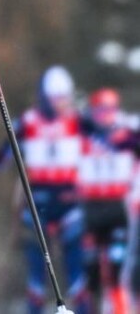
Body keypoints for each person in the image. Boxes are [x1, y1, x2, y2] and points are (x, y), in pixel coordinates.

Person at [0, 66, 91, 314]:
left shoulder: (78, 121)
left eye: (65, 97)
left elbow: (113, 139)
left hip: (70, 204)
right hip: (38, 203)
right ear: (45, 96)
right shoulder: (27, 123)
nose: (62, 103)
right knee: (36, 277)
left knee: (77, 275)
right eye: (57, 98)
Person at [78, 88, 139, 312]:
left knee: (116, 272)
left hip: (117, 210)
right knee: (90, 275)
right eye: (101, 110)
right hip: (90, 209)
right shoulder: (83, 133)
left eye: (110, 109)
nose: (106, 115)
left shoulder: (127, 135)